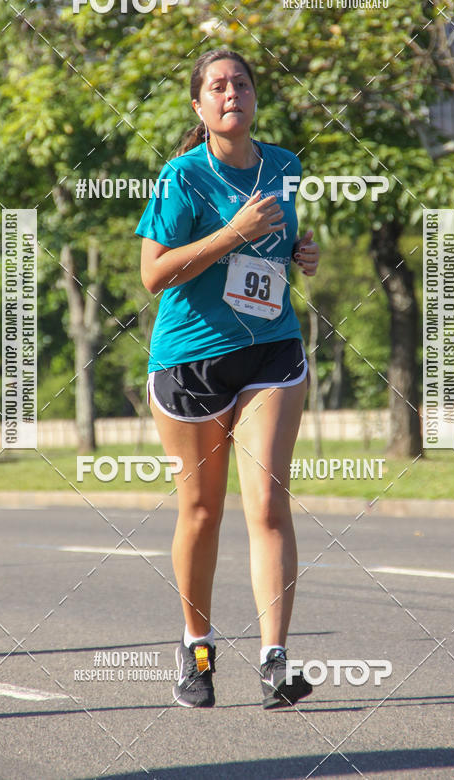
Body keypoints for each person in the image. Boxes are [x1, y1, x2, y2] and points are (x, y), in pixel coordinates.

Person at [135, 49, 319, 710]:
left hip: (271, 349)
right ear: (200, 107)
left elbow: (280, 247)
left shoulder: (286, 167)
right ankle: (196, 648)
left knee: (268, 502)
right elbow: (154, 275)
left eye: (240, 81)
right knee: (203, 510)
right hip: (191, 361)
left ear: (255, 96)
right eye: (216, 85)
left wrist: (302, 254)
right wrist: (232, 233)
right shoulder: (182, 178)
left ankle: (275, 660)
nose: (230, 91)